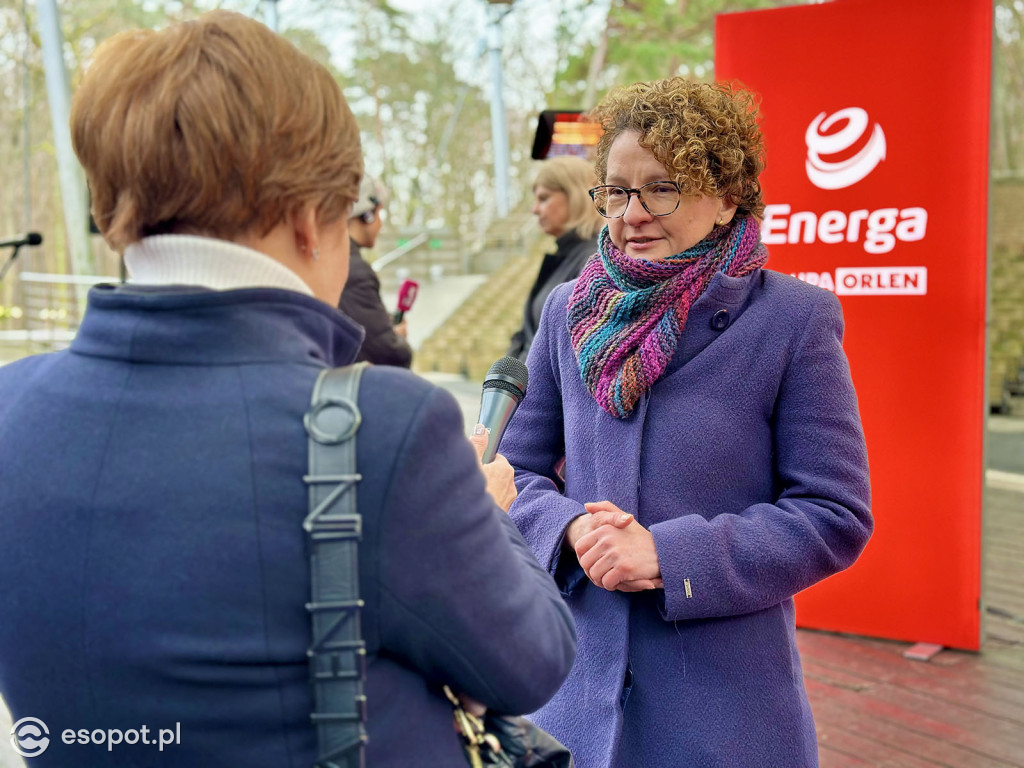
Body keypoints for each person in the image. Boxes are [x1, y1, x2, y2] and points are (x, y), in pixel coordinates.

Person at [0, 11, 575, 767]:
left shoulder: (12, 406)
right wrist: (490, 509)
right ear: (310, 217)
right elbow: (533, 660)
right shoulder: (382, 429)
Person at [501, 77, 872, 768]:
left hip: (724, 712)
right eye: (615, 190)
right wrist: (571, 529)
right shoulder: (565, 312)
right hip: (573, 698)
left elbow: (833, 513)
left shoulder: (794, 320)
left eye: (662, 187)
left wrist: (671, 559)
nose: (632, 212)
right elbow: (514, 473)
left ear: (729, 195)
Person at [508, 155, 603, 362]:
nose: (535, 210)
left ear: (575, 195)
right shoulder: (565, 255)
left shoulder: (593, 261)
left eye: (544, 198)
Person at [338, 175, 414, 367]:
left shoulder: (342, 263)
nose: (380, 224)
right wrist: (399, 339)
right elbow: (389, 353)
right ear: (367, 215)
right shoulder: (356, 271)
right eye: (378, 214)